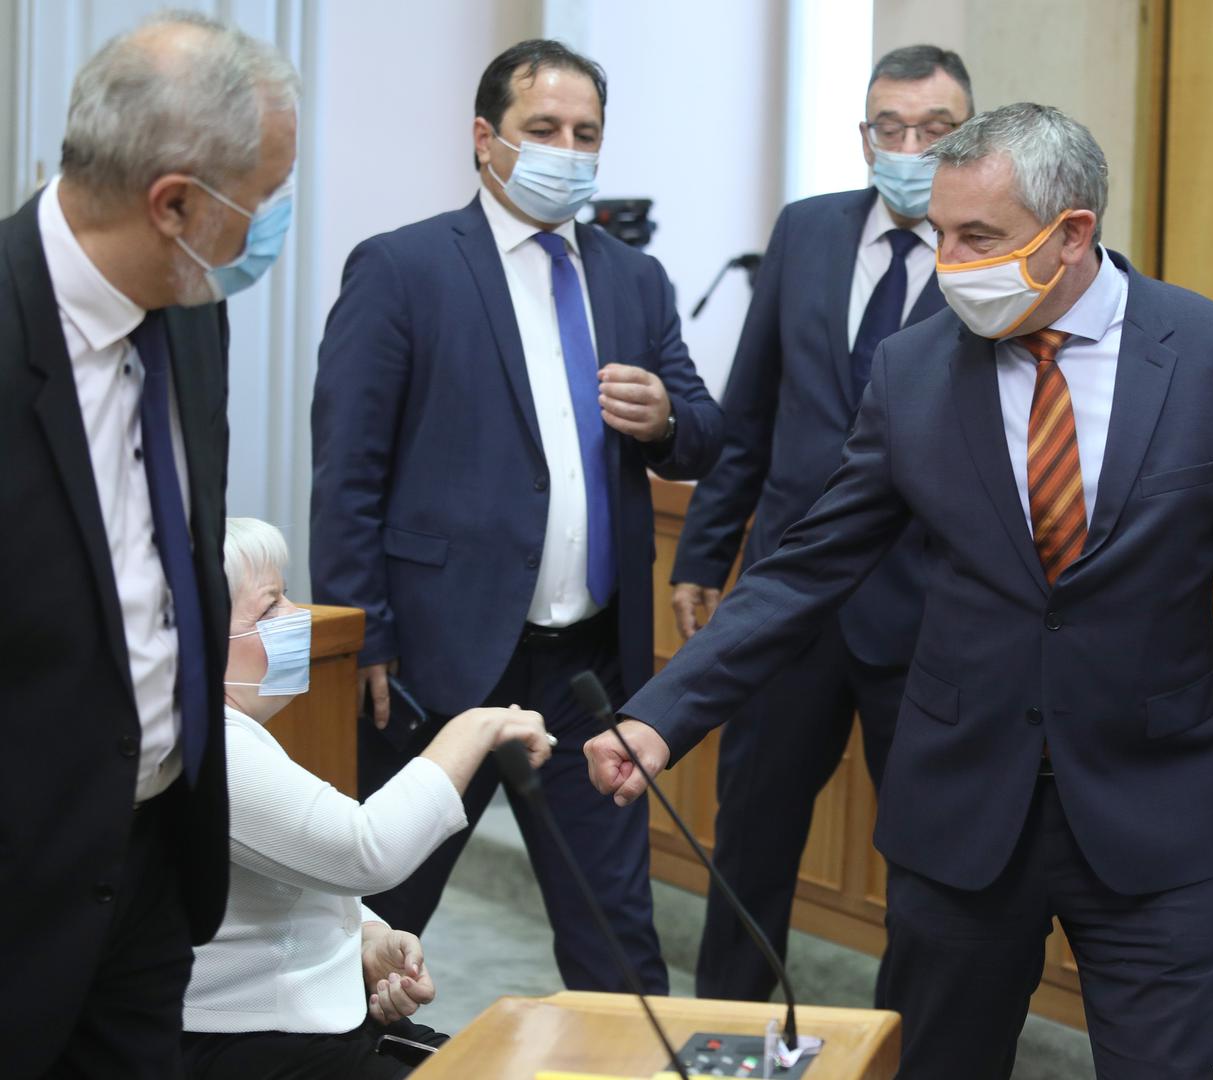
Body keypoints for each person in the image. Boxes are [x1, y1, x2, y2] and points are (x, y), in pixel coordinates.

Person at [586, 104, 1213, 1078]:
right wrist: (663, 714)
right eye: (941, 235)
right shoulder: (913, 368)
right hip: (960, 812)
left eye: (979, 237)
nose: (950, 265)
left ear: (1072, 234)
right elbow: (806, 565)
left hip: (1156, 817)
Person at [311, 38, 723, 996]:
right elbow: (349, 470)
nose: (567, 151)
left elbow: (705, 435)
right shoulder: (404, 267)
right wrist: (368, 633)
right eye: (545, 128)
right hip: (435, 662)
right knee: (376, 922)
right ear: (485, 138)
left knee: (618, 942)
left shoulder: (634, 279)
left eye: (586, 133)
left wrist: (666, 418)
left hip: (588, 672)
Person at [0, 13, 297, 1077]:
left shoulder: (193, 309)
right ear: (174, 205)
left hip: (154, 866)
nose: (272, 228)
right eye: (263, 200)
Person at [670, 44, 972, 1003]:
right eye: (892, 127)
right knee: (750, 834)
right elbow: (751, 408)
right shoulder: (806, 230)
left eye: (936, 129)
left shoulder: (989, 255)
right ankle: (727, 1036)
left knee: (926, 859)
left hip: (926, 611)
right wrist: (704, 553)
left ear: (969, 137)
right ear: (865, 136)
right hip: (789, 599)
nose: (911, 147)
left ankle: (904, 1046)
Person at [181, 518, 553, 1078]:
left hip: (310, 1024)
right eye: (269, 606)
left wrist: (368, 938)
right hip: (247, 1045)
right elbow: (363, 851)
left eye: (287, 595)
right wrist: (473, 729)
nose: (296, 615)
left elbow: (285, 872)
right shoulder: (211, 745)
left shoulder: (230, 731)